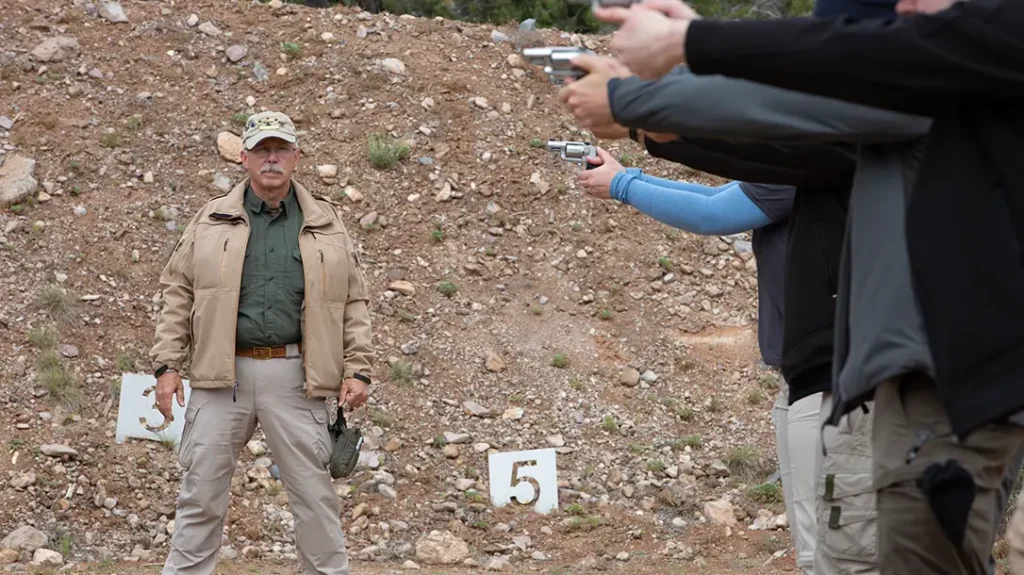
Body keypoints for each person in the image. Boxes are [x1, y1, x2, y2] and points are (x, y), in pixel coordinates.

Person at [573, 0, 1024, 572]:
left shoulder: (938, 76)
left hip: (920, 382)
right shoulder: (933, 86)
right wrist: (662, 104)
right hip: (891, 378)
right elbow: (793, 114)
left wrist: (654, 89)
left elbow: (792, 120)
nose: (906, 6)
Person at [577, 147, 836, 574]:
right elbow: (718, 196)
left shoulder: (810, 163)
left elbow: (711, 214)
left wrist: (623, 185)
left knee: (827, 547)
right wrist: (629, 178)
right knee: (813, 542)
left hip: (827, 385)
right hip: (803, 379)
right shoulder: (806, 164)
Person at [149, 111, 374, 575]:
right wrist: (167, 366)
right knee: (200, 495)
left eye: (281, 150)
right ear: (244, 158)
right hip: (219, 377)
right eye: (262, 150)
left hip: (296, 378)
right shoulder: (210, 218)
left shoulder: (325, 221)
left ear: (296, 157)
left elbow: (353, 300)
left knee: (314, 498)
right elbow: (178, 293)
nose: (272, 158)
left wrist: (358, 368)